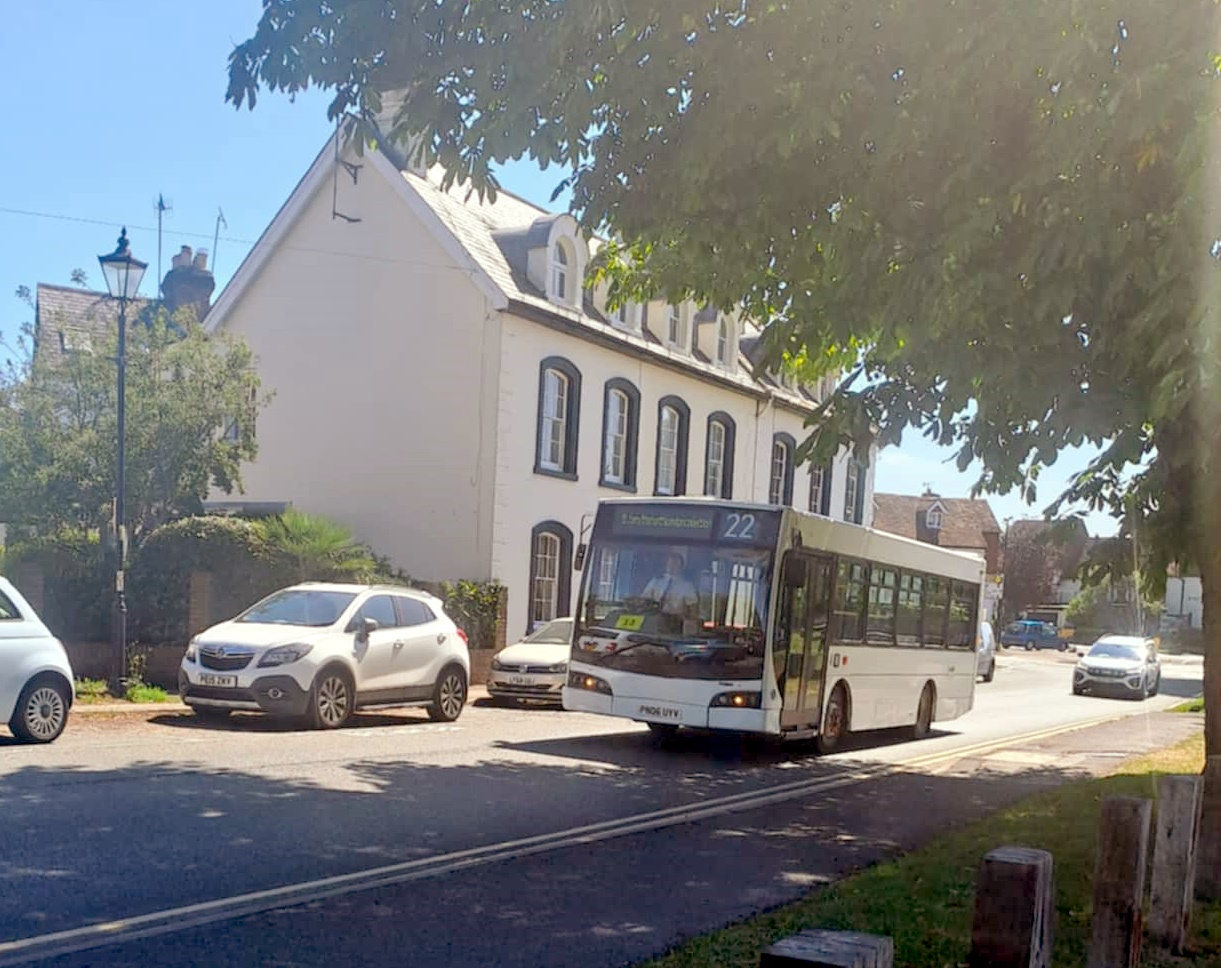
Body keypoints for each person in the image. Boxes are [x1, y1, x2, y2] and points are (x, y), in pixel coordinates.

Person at [641, 551, 699, 620]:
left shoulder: (687, 586)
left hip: (675, 621)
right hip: (653, 619)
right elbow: (644, 600)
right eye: (670, 563)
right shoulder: (656, 581)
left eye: (675, 563)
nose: (671, 566)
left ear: (681, 567)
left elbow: (693, 609)